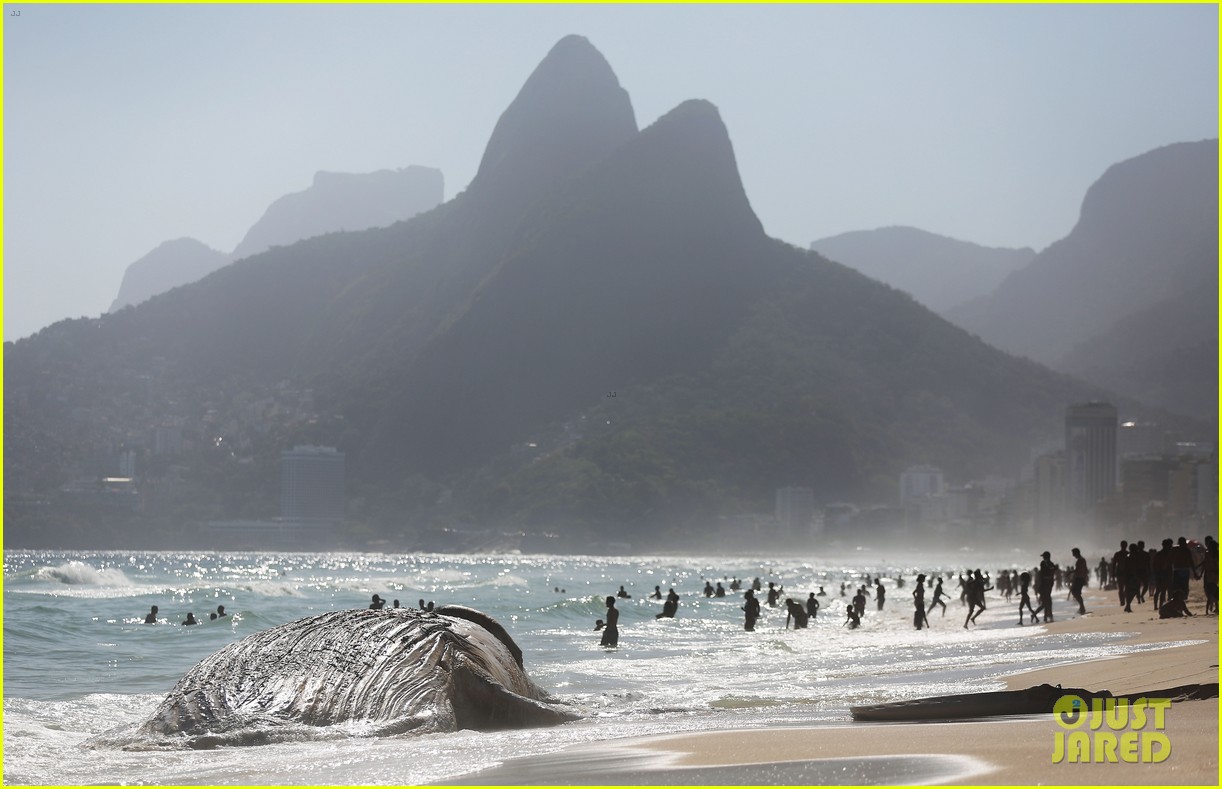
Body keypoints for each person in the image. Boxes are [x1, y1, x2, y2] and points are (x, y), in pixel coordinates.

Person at [1070, 547, 1089, 615]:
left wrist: (1071, 572)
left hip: (1079, 579)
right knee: (1077, 593)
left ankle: (1082, 607)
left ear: (1076, 553)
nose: (1073, 555)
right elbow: (1085, 570)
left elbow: (1078, 570)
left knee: (1075, 593)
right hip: (1080, 578)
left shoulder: (1081, 560)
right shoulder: (1082, 560)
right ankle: (1081, 607)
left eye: (1073, 553)